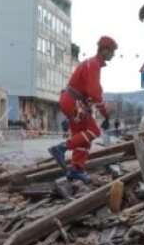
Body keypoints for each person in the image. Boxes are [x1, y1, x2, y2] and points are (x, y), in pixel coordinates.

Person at [47, 36, 117, 184]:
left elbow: (90, 92)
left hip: (72, 101)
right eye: (112, 51)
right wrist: (105, 113)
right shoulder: (94, 65)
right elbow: (94, 92)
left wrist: (97, 108)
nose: (114, 55)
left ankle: (76, 169)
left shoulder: (91, 64)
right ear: (104, 50)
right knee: (94, 131)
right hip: (74, 102)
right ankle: (61, 148)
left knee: (82, 137)